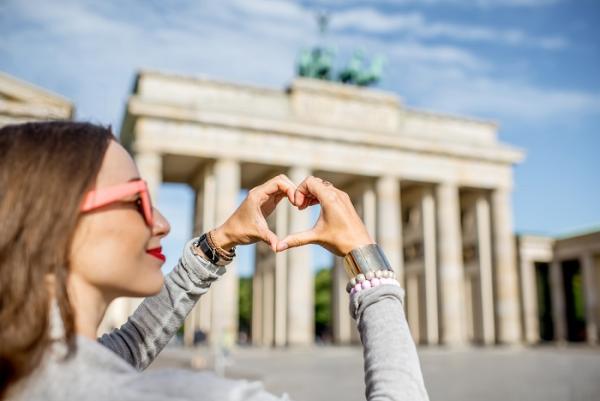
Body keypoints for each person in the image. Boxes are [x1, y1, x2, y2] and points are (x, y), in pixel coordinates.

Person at [0, 121, 429, 401]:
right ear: (56, 219)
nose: (164, 223)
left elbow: (126, 348)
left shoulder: (26, 372)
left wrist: (217, 243)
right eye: (138, 200)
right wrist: (368, 267)